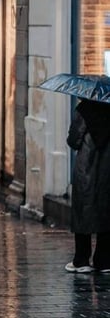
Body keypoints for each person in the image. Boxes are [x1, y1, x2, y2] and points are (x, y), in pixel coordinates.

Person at [64, 99, 110, 273]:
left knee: (83, 211)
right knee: (106, 212)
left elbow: (74, 140)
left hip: (86, 168)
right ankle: (104, 261)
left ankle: (81, 260)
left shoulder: (84, 109)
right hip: (107, 170)